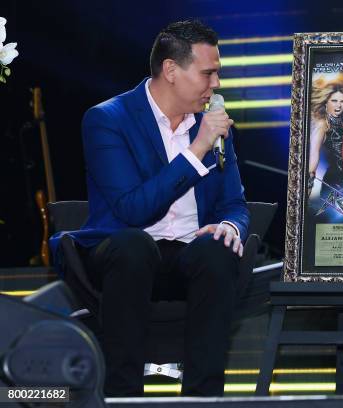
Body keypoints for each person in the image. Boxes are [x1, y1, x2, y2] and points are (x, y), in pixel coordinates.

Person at [50, 20, 249, 397]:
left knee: (217, 251)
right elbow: (132, 209)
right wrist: (197, 151)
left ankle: (204, 399)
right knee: (134, 246)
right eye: (208, 73)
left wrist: (230, 226)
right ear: (171, 70)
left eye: (218, 74)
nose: (217, 84)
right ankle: (122, 396)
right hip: (124, 252)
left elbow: (235, 203)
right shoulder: (108, 119)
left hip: (189, 252)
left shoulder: (212, 125)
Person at [308, 74, 343, 195]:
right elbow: (314, 154)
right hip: (332, 182)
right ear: (326, 103)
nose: (339, 105)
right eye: (334, 101)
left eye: (342, 101)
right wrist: (309, 183)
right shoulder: (323, 125)